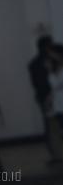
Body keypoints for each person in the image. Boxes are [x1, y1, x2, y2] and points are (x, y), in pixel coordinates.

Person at [28, 35, 63, 164]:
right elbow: (40, 83)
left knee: (56, 127)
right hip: (49, 100)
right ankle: (57, 154)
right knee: (52, 127)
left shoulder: (52, 62)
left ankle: (58, 153)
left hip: (54, 99)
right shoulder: (37, 64)